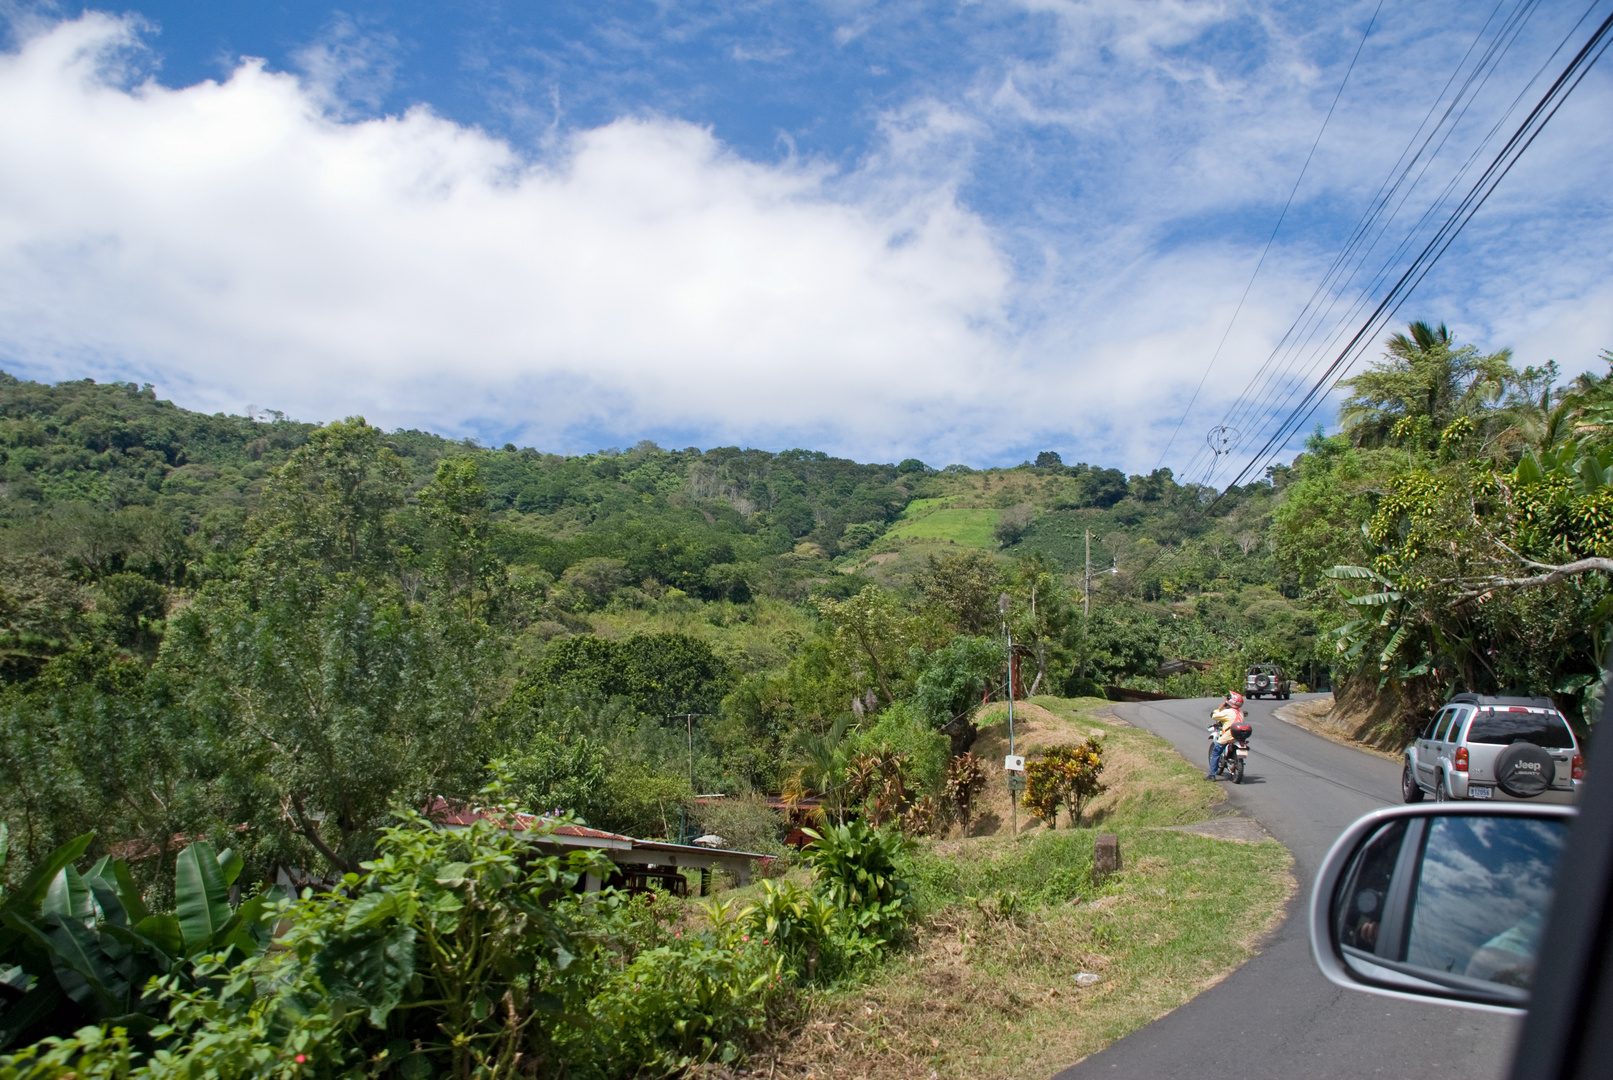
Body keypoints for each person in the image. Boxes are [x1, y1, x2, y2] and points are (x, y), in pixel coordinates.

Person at [1207, 692, 1244, 780]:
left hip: (1228, 735)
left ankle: (1212, 775)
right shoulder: (1240, 713)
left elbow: (1214, 716)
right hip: (1238, 736)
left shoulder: (1227, 712)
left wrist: (1220, 707)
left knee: (1215, 752)